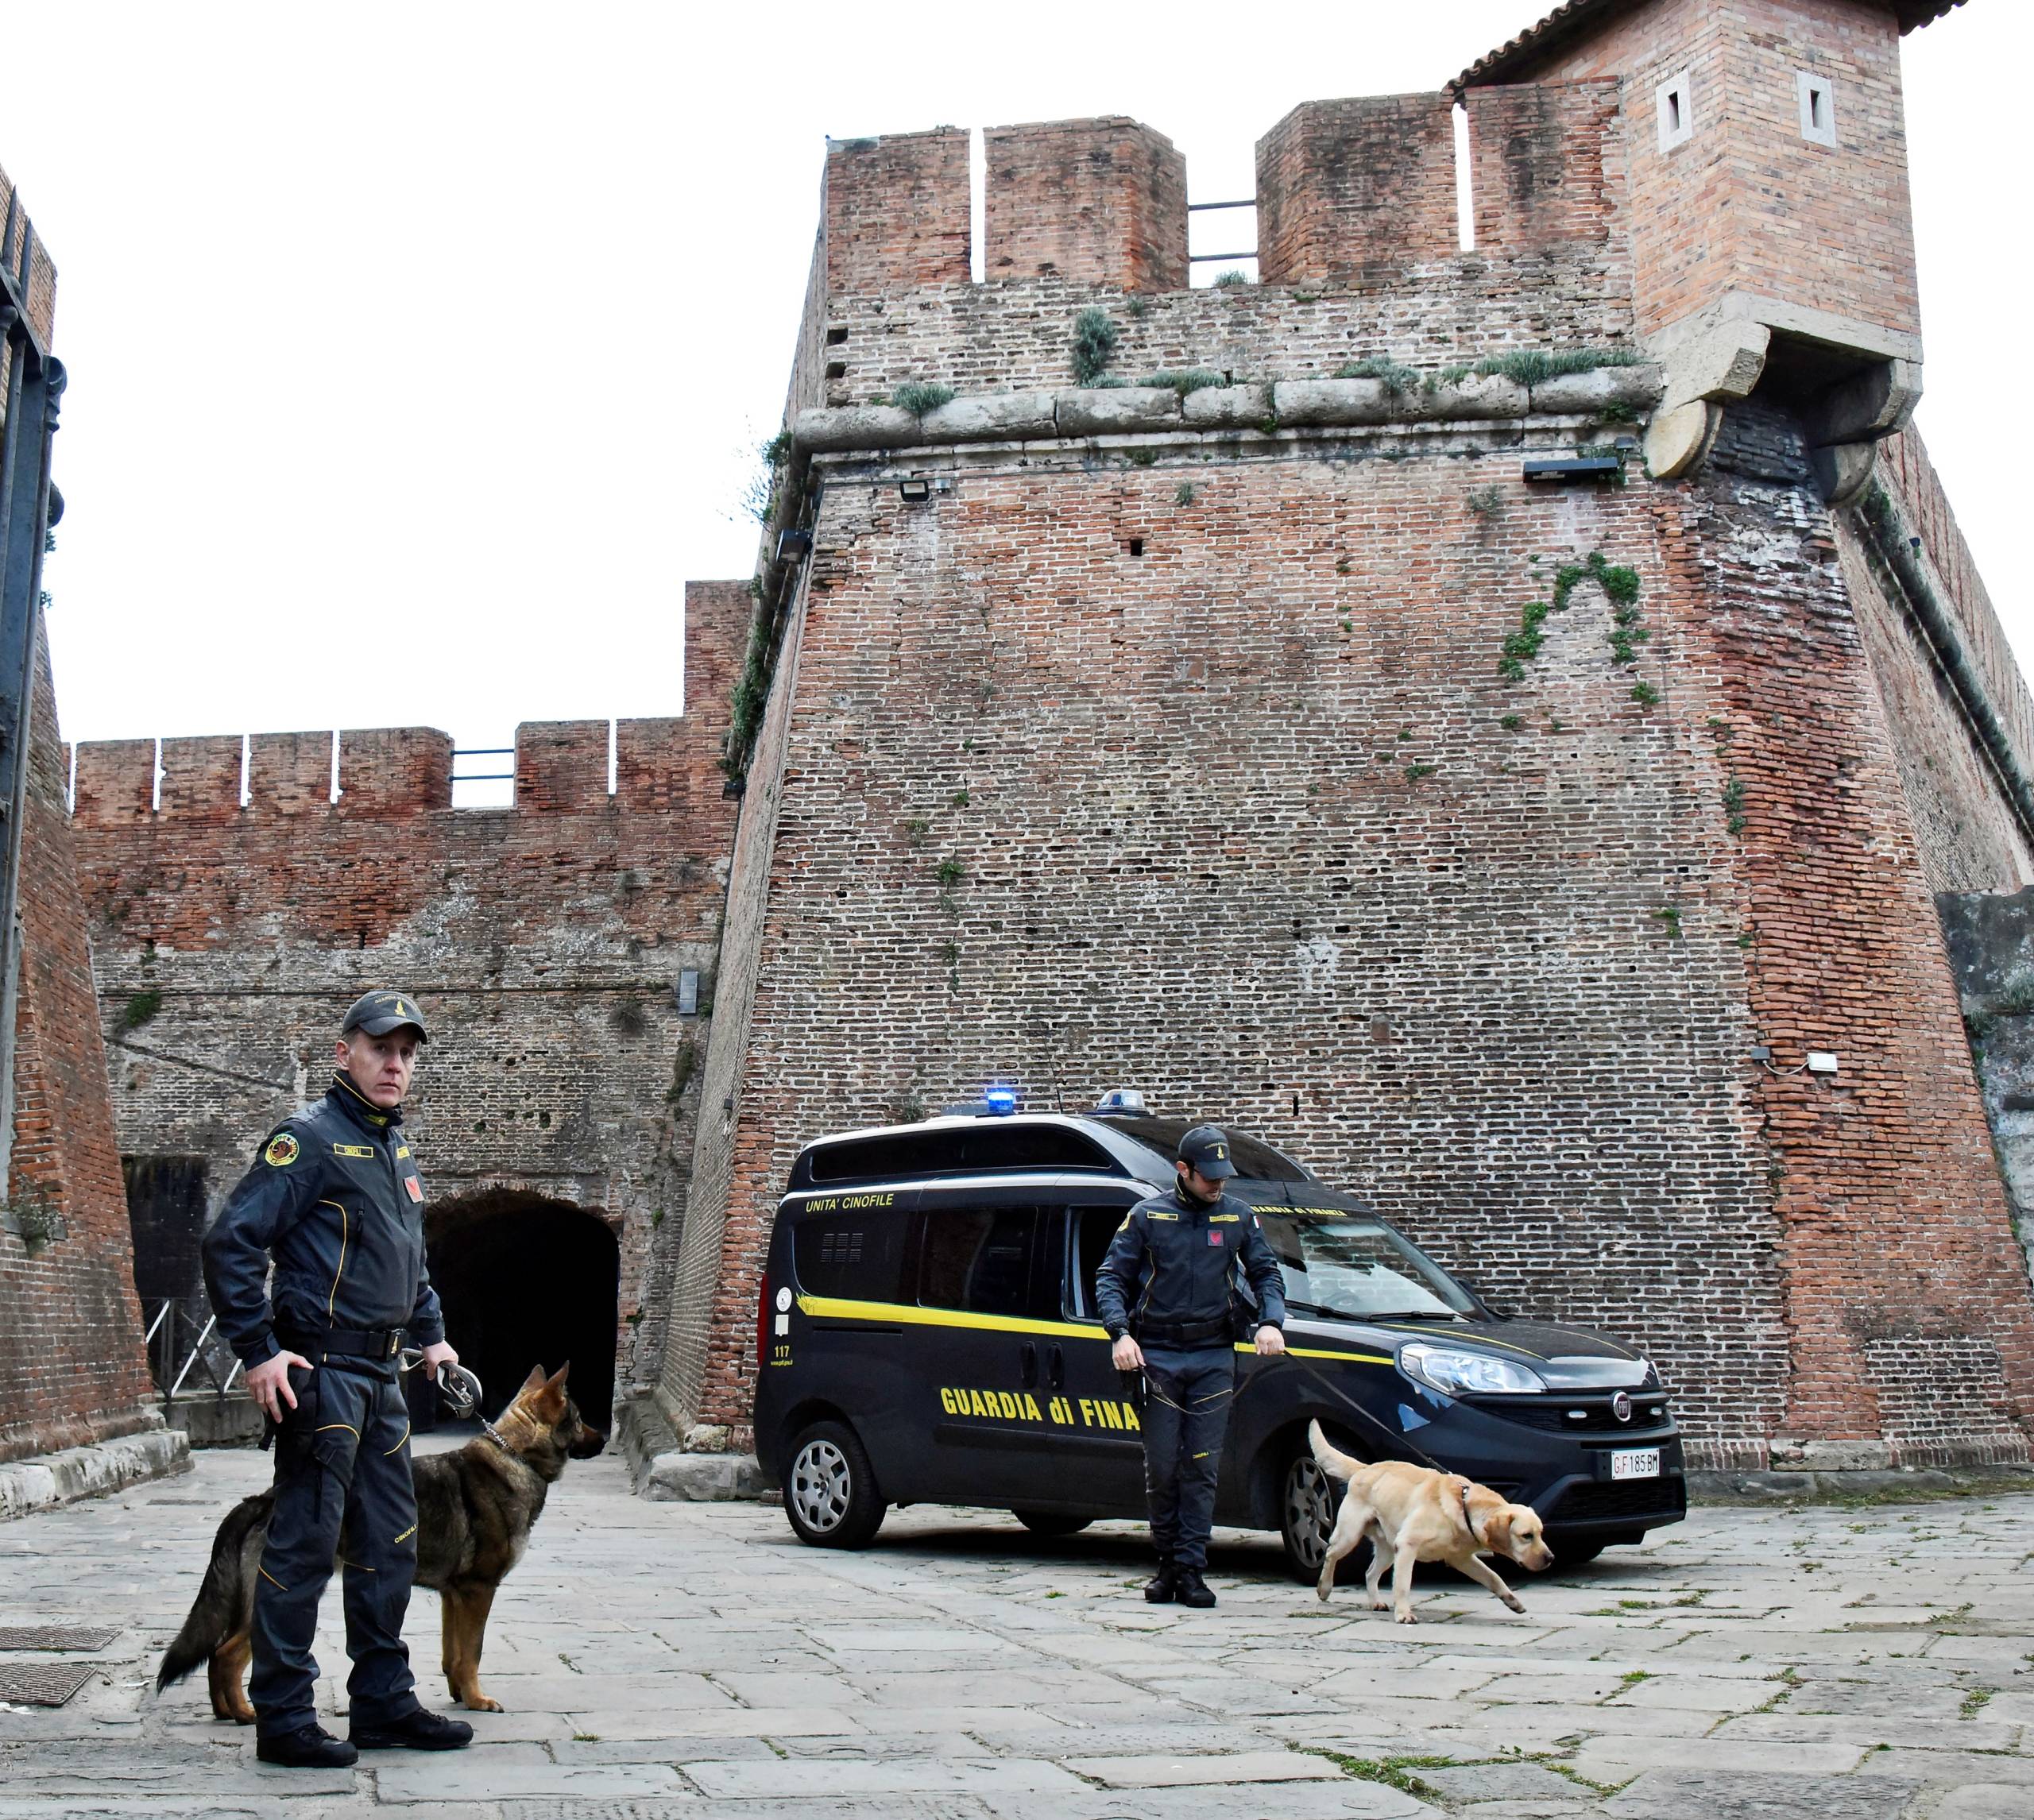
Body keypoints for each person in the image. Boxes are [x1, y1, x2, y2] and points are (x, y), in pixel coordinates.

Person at [202, 990, 473, 1768]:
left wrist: (433, 1338)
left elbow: (410, 1260)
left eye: (407, 1051)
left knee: (392, 1540)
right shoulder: (307, 1140)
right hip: (319, 1373)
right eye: (380, 1046)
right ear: (343, 1052)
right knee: (305, 1545)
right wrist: (256, 1349)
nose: (395, 1063)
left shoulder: (396, 1149)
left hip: (383, 1377)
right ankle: (284, 1717)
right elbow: (232, 1243)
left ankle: (383, 1702)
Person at [1096, 1124, 1288, 1609]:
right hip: (1157, 1356)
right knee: (1163, 1467)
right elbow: (1110, 1278)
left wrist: (1271, 1322)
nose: (1218, 1185)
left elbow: (1266, 1272)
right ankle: (1166, 1565)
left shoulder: (1239, 1216)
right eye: (1209, 1178)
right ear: (1184, 1171)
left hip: (1212, 1356)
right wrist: (1120, 1333)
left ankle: (1192, 1569)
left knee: (1201, 1467)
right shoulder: (1147, 1215)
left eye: (1223, 1177)